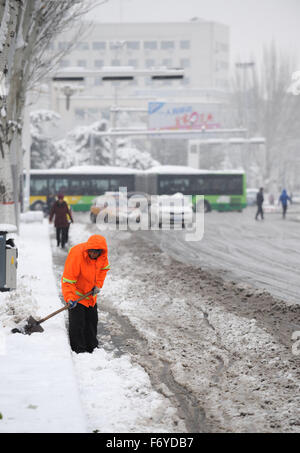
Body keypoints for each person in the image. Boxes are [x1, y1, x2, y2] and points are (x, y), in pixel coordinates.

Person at [61, 234, 110, 353]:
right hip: (76, 294)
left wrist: (98, 284)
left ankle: (92, 347)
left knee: (92, 321)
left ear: (100, 252)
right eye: (91, 251)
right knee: (77, 323)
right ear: (88, 249)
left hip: (90, 295)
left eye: (96, 252)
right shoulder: (77, 256)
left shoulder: (102, 257)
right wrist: (70, 298)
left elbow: (103, 270)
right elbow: (68, 280)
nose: (93, 254)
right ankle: (78, 349)